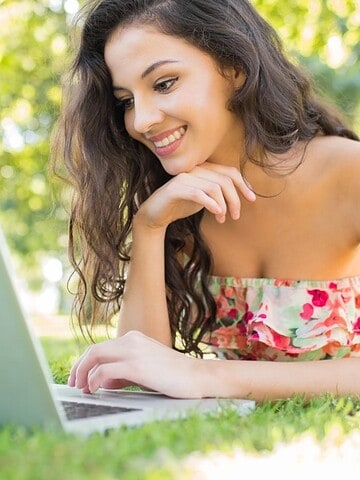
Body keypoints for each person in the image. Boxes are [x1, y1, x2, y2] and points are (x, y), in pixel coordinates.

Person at [52, 0, 360, 401]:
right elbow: (141, 365)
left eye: (164, 84)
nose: (142, 120)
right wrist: (150, 226)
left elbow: (184, 373)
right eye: (126, 101)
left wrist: (210, 376)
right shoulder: (179, 201)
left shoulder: (348, 172)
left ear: (234, 68)